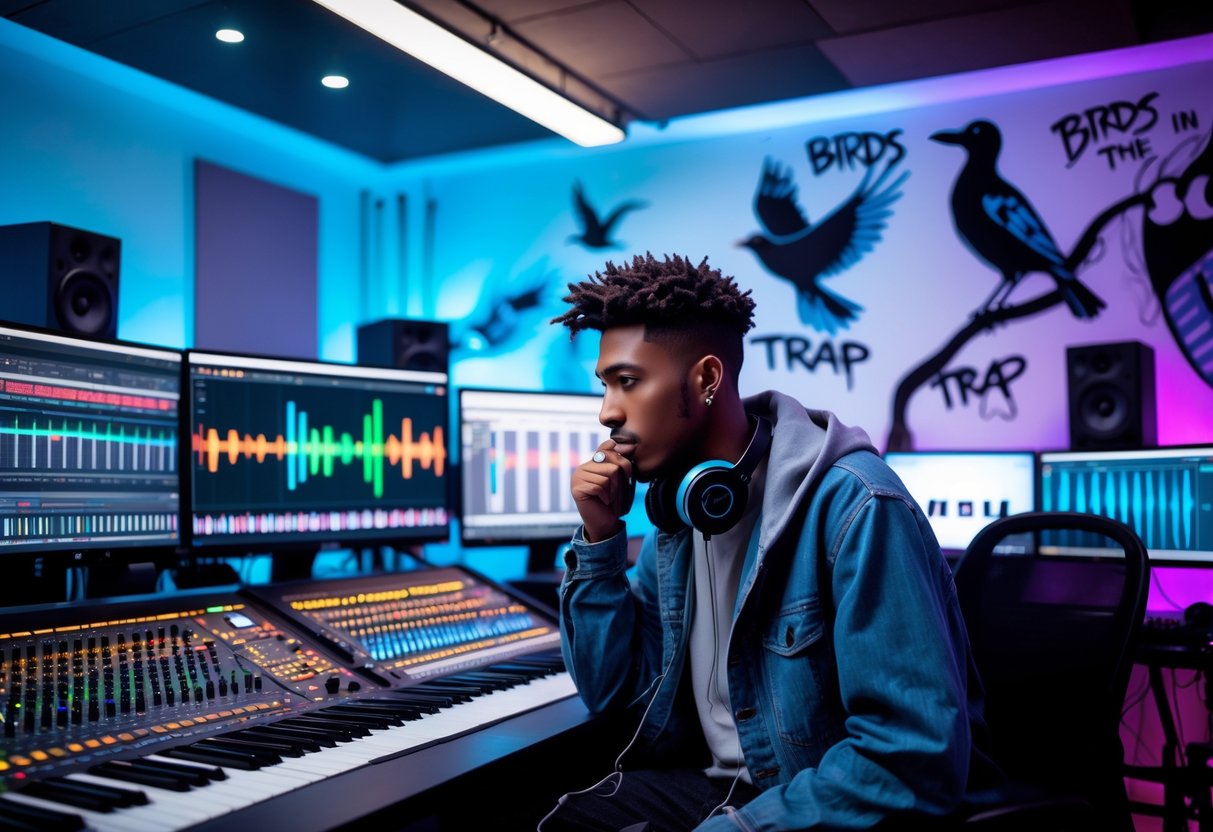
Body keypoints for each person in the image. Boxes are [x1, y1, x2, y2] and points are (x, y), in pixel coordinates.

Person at [541, 253, 998, 831]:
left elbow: (910, 758)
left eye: (628, 382)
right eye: (605, 385)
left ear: (706, 379)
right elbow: (618, 697)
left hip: (816, 801)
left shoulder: (858, 508)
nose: (608, 413)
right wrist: (601, 538)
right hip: (718, 787)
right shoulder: (679, 517)